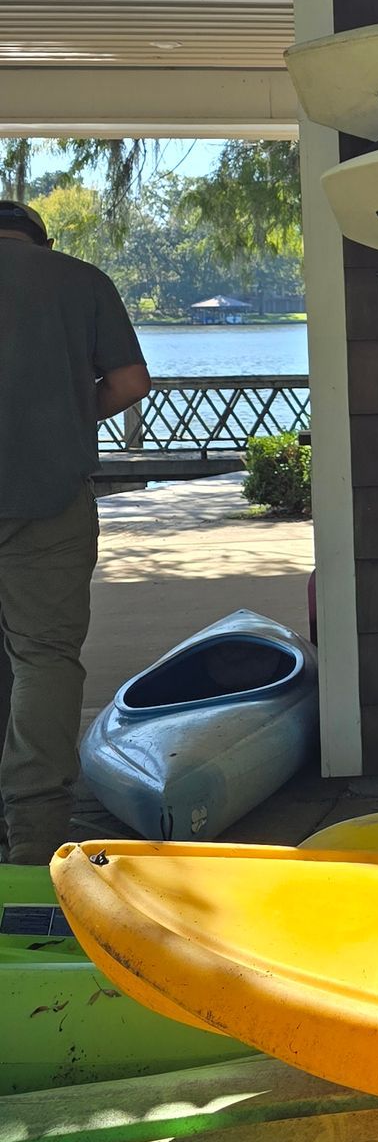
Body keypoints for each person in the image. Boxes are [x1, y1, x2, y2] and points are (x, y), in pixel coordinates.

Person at [0, 198, 150, 862]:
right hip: (49, 498)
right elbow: (128, 381)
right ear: (41, 238)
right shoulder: (80, 279)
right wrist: (70, 413)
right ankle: (34, 834)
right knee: (44, 659)